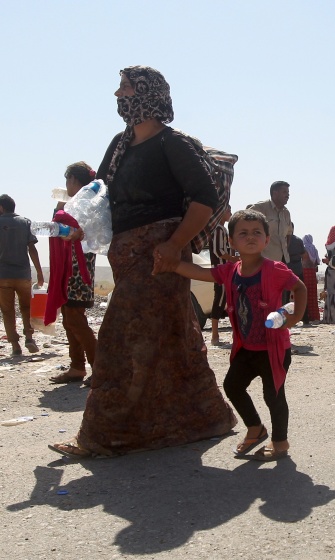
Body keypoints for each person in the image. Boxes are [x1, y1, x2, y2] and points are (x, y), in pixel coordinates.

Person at [49, 66, 236, 458]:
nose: (118, 95)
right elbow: (102, 197)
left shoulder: (174, 144)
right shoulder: (120, 145)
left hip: (160, 256)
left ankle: (106, 435)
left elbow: (204, 200)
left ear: (148, 95)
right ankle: (204, 419)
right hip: (126, 254)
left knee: (120, 340)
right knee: (174, 338)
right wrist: (82, 227)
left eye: (126, 88)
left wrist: (174, 244)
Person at [173, 209, 305, 460]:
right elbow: (200, 273)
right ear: (231, 242)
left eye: (257, 232)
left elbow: (298, 287)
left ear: (267, 240)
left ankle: (280, 442)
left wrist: (295, 318)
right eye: (243, 233)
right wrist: (173, 264)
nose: (251, 237)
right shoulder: (230, 270)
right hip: (246, 347)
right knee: (232, 386)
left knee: (273, 395)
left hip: (273, 347)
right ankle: (255, 428)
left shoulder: (275, 269)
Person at [48, 162, 98, 382]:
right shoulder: (77, 203)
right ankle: (77, 366)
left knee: (75, 318)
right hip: (70, 265)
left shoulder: (85, 205)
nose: (67, 184)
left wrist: (60, 211)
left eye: (69, 180)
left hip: (77, 267)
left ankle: (100, 367)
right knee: (70, 318)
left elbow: (77, 231)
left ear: (75, 181)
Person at [0, 194, 44, 356]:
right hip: (23, 274)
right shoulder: (25, 222)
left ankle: (15, 345)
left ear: (1, 208)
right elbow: (32, 249)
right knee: (26, 308)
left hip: (3, 276)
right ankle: (29, 338)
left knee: (7, 311)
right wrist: (39, 272)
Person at [208, 206, 236, 346]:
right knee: (220, 299)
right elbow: (219, 251)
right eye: (228, 211)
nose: (230, 213)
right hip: (221, 269)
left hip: (224, 269)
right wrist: (233, 259)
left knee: (224, 299)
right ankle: (214, 335)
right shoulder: (218, 229)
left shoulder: (223, 229)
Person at [247, 181, 291, 263]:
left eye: (288, 192)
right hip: (263, 259)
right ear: (275, 193)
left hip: (282, 260)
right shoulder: (260, 208)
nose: (288, 195)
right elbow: (243, 223)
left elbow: (288, 234)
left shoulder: (286, 213)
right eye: (284, 192)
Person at [301, 234, 321, 324]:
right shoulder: (314, 249)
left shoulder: (304, 248)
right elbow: (317, 262)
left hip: (305, 272)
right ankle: (315, 315)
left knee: (305, 293)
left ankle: (306, 315)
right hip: (312, 273)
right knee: (313, 294)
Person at [285, 222, 305, 305]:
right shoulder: (298, 240)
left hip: (287, 267)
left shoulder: (283, 240)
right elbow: (303, 254)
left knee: (286, 292)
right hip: (297, 268)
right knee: (300, 290)